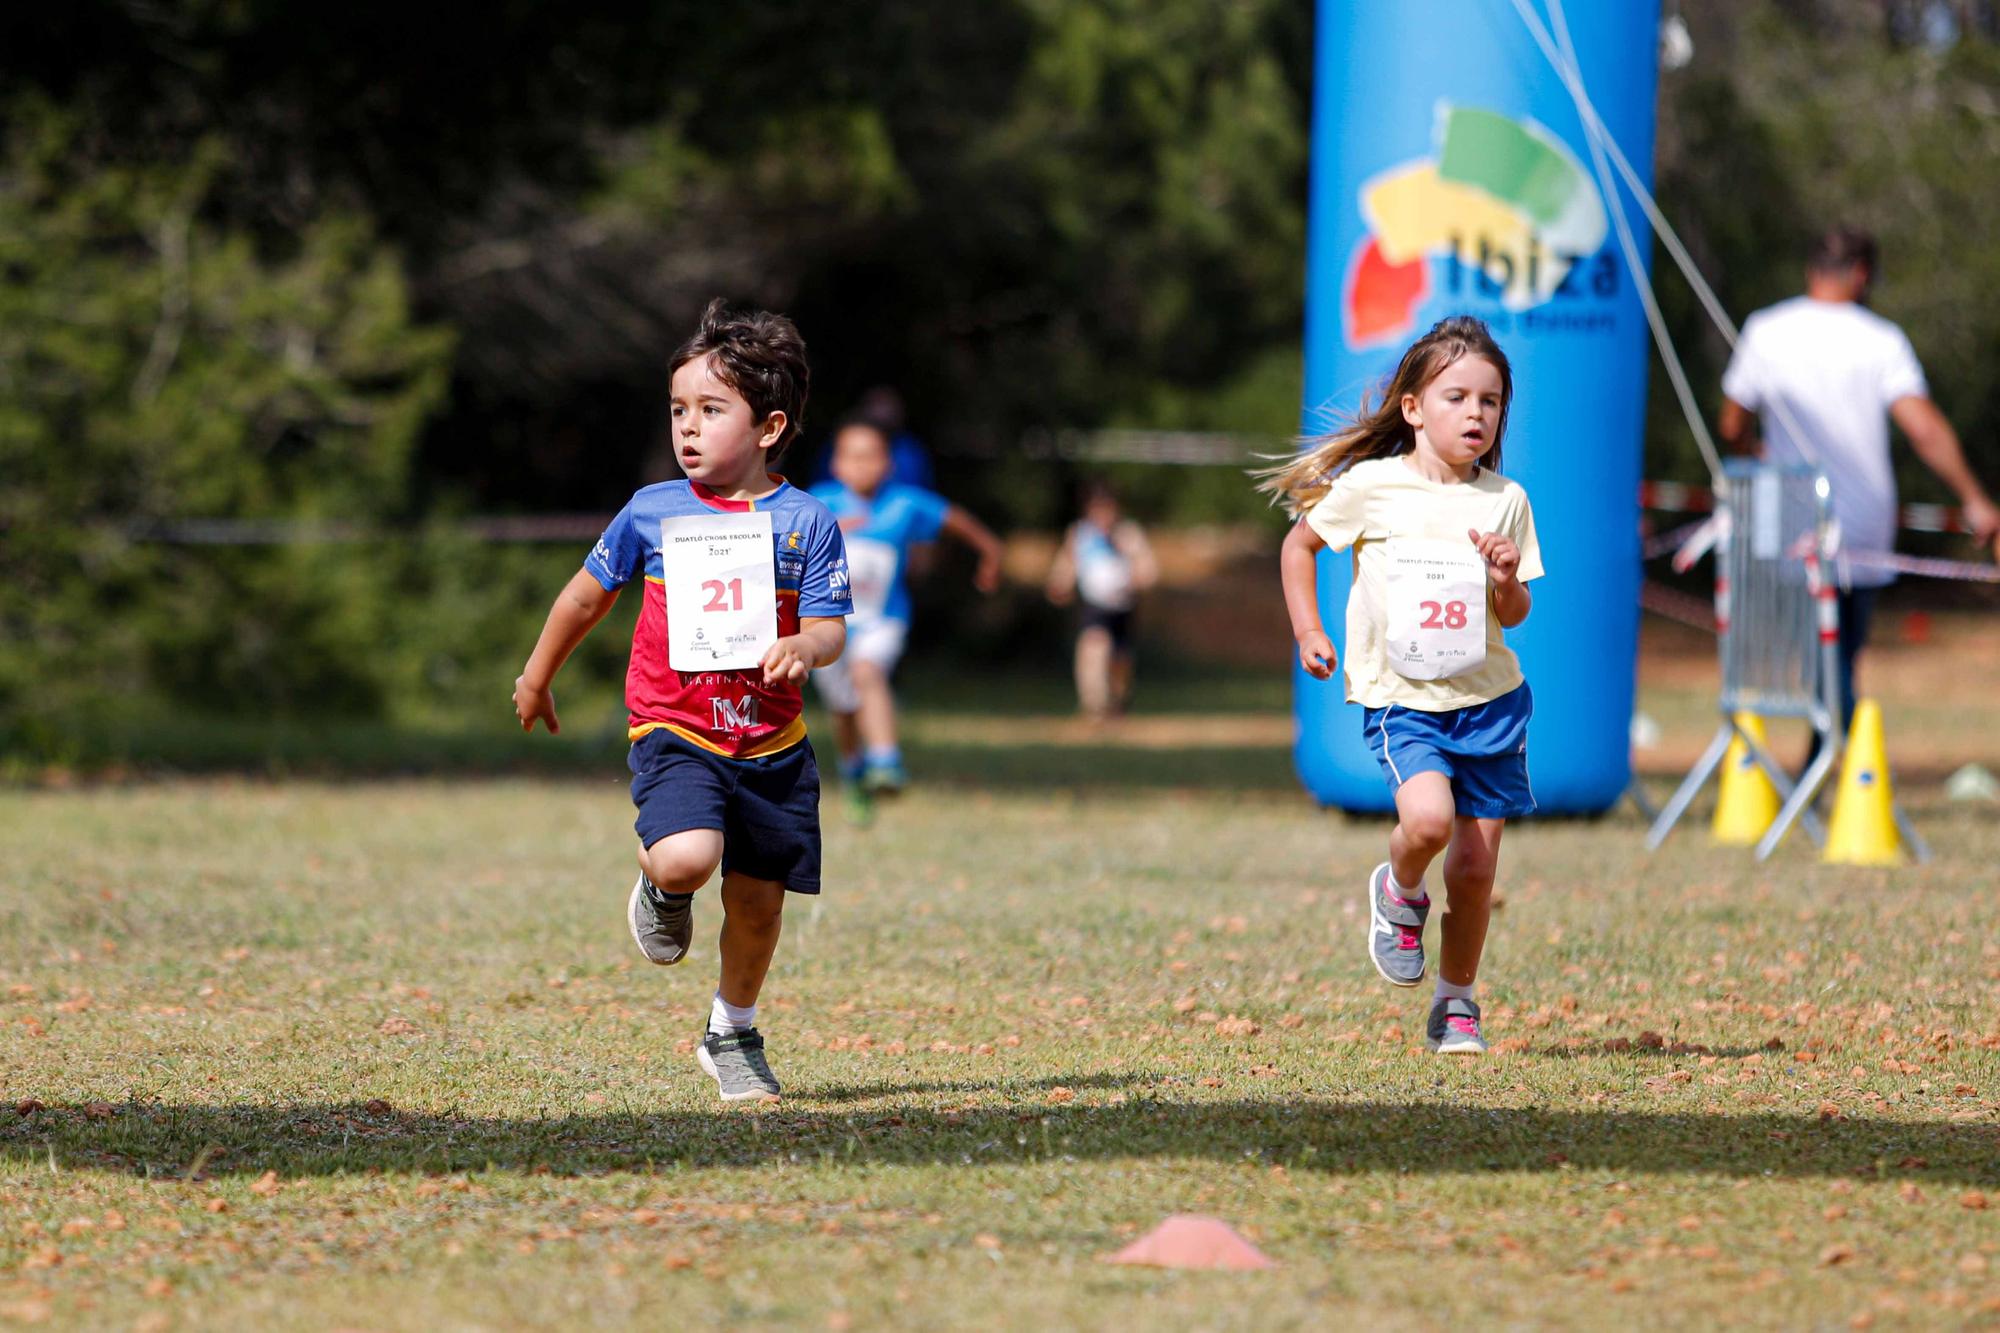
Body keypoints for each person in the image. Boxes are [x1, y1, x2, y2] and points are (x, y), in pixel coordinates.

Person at [513, 299, 852, 1104]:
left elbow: (830, 627)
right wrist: (537, 673)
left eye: (710, 410)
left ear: (769, 428)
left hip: (772, 748)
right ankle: (662, 887)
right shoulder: (652, 511)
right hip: (677, 729)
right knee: (688, 856)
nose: (687, 428)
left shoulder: (806, 523)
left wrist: (804, 648)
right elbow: (585, 598)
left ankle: (732, 1030)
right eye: (678, 410)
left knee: (760, 907)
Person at [1263, 315, 1543, 1057]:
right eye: (1457, 397)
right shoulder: (1371, 486)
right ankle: (1399, 889)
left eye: (1490, 402)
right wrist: (1308, 630)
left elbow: (1514, 612)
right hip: (1404, 699)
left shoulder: (1505, 500)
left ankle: (1457, 1002)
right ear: (1413, 408)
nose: (1476, 414)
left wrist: (1505, 579)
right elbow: (1299, 544)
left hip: (1489, 701)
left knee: (1478, 868)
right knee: (1426, 823)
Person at [1719, 225, 2000, 735]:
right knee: (1842, 657)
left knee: (1813, 662)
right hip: (1863, 524)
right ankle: (1831, 768)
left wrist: (1756, 453)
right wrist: (1974, 498)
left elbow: (1732, 423)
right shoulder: (1882, 339)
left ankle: (1825, 770)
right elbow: (1924, 428)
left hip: (1790, 521)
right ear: (1862, 274)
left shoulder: (1766, 329)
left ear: (1812, 268)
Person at [809, 416, 1004, 822]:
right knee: (844, 708)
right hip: (826, 626)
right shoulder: (818, 503)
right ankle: (853, 772)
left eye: (872, 456)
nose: (862, 465)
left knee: (868, 672)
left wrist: (990, 554)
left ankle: (885, 761)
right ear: (837, 464)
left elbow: (961, 524)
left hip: (884, 619)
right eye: (853, 456)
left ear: (889, 463)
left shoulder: (905, 503)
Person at [1045, 481, 1157, 721]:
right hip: (1095, 606)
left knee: (1120, 660)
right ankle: (1093, 706)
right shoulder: (1080, 535)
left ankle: (1118, 703)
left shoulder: (1128, 534)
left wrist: (1136, 580)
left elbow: (1147, 570)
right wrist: (1059, 583)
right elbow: (1066, 565)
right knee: (1093, 647)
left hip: (1123, 606)